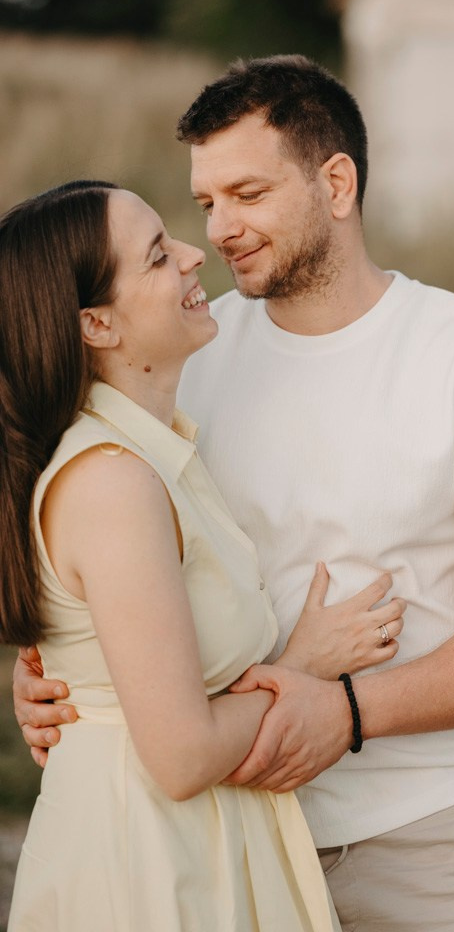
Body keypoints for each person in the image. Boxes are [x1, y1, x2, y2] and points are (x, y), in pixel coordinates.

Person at [15, 56, 454, 932]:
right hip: (227, 836)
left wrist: (349, 713)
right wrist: (63, 681)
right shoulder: (185, 358)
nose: (219, 231)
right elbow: (105, 558)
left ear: (336, 182)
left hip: (428, 832)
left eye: (247, 194)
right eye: (207, 203)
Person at [1, 179, 406, 931]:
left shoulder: (155, 454)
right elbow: (183, 754)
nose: (195, 254)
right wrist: (302, 669)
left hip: (190, 846)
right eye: (158, 256)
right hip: (147, 866)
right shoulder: (113, 483)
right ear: (96, 323)